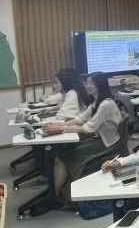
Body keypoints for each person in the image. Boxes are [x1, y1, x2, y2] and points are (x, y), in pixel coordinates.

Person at [33, 73, 122, 215]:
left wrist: (61, 129)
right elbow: (80, 119)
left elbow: (88, 128)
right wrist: (59, 125)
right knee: (63, 152)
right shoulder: (98, 101)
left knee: (65, 155)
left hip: (107, 144)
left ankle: (54, 195)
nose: (86, 85)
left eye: (90, 83)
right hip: (100, 139)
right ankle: (56, 193)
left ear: (98, 85)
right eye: (86, 83)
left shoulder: (106, 104)